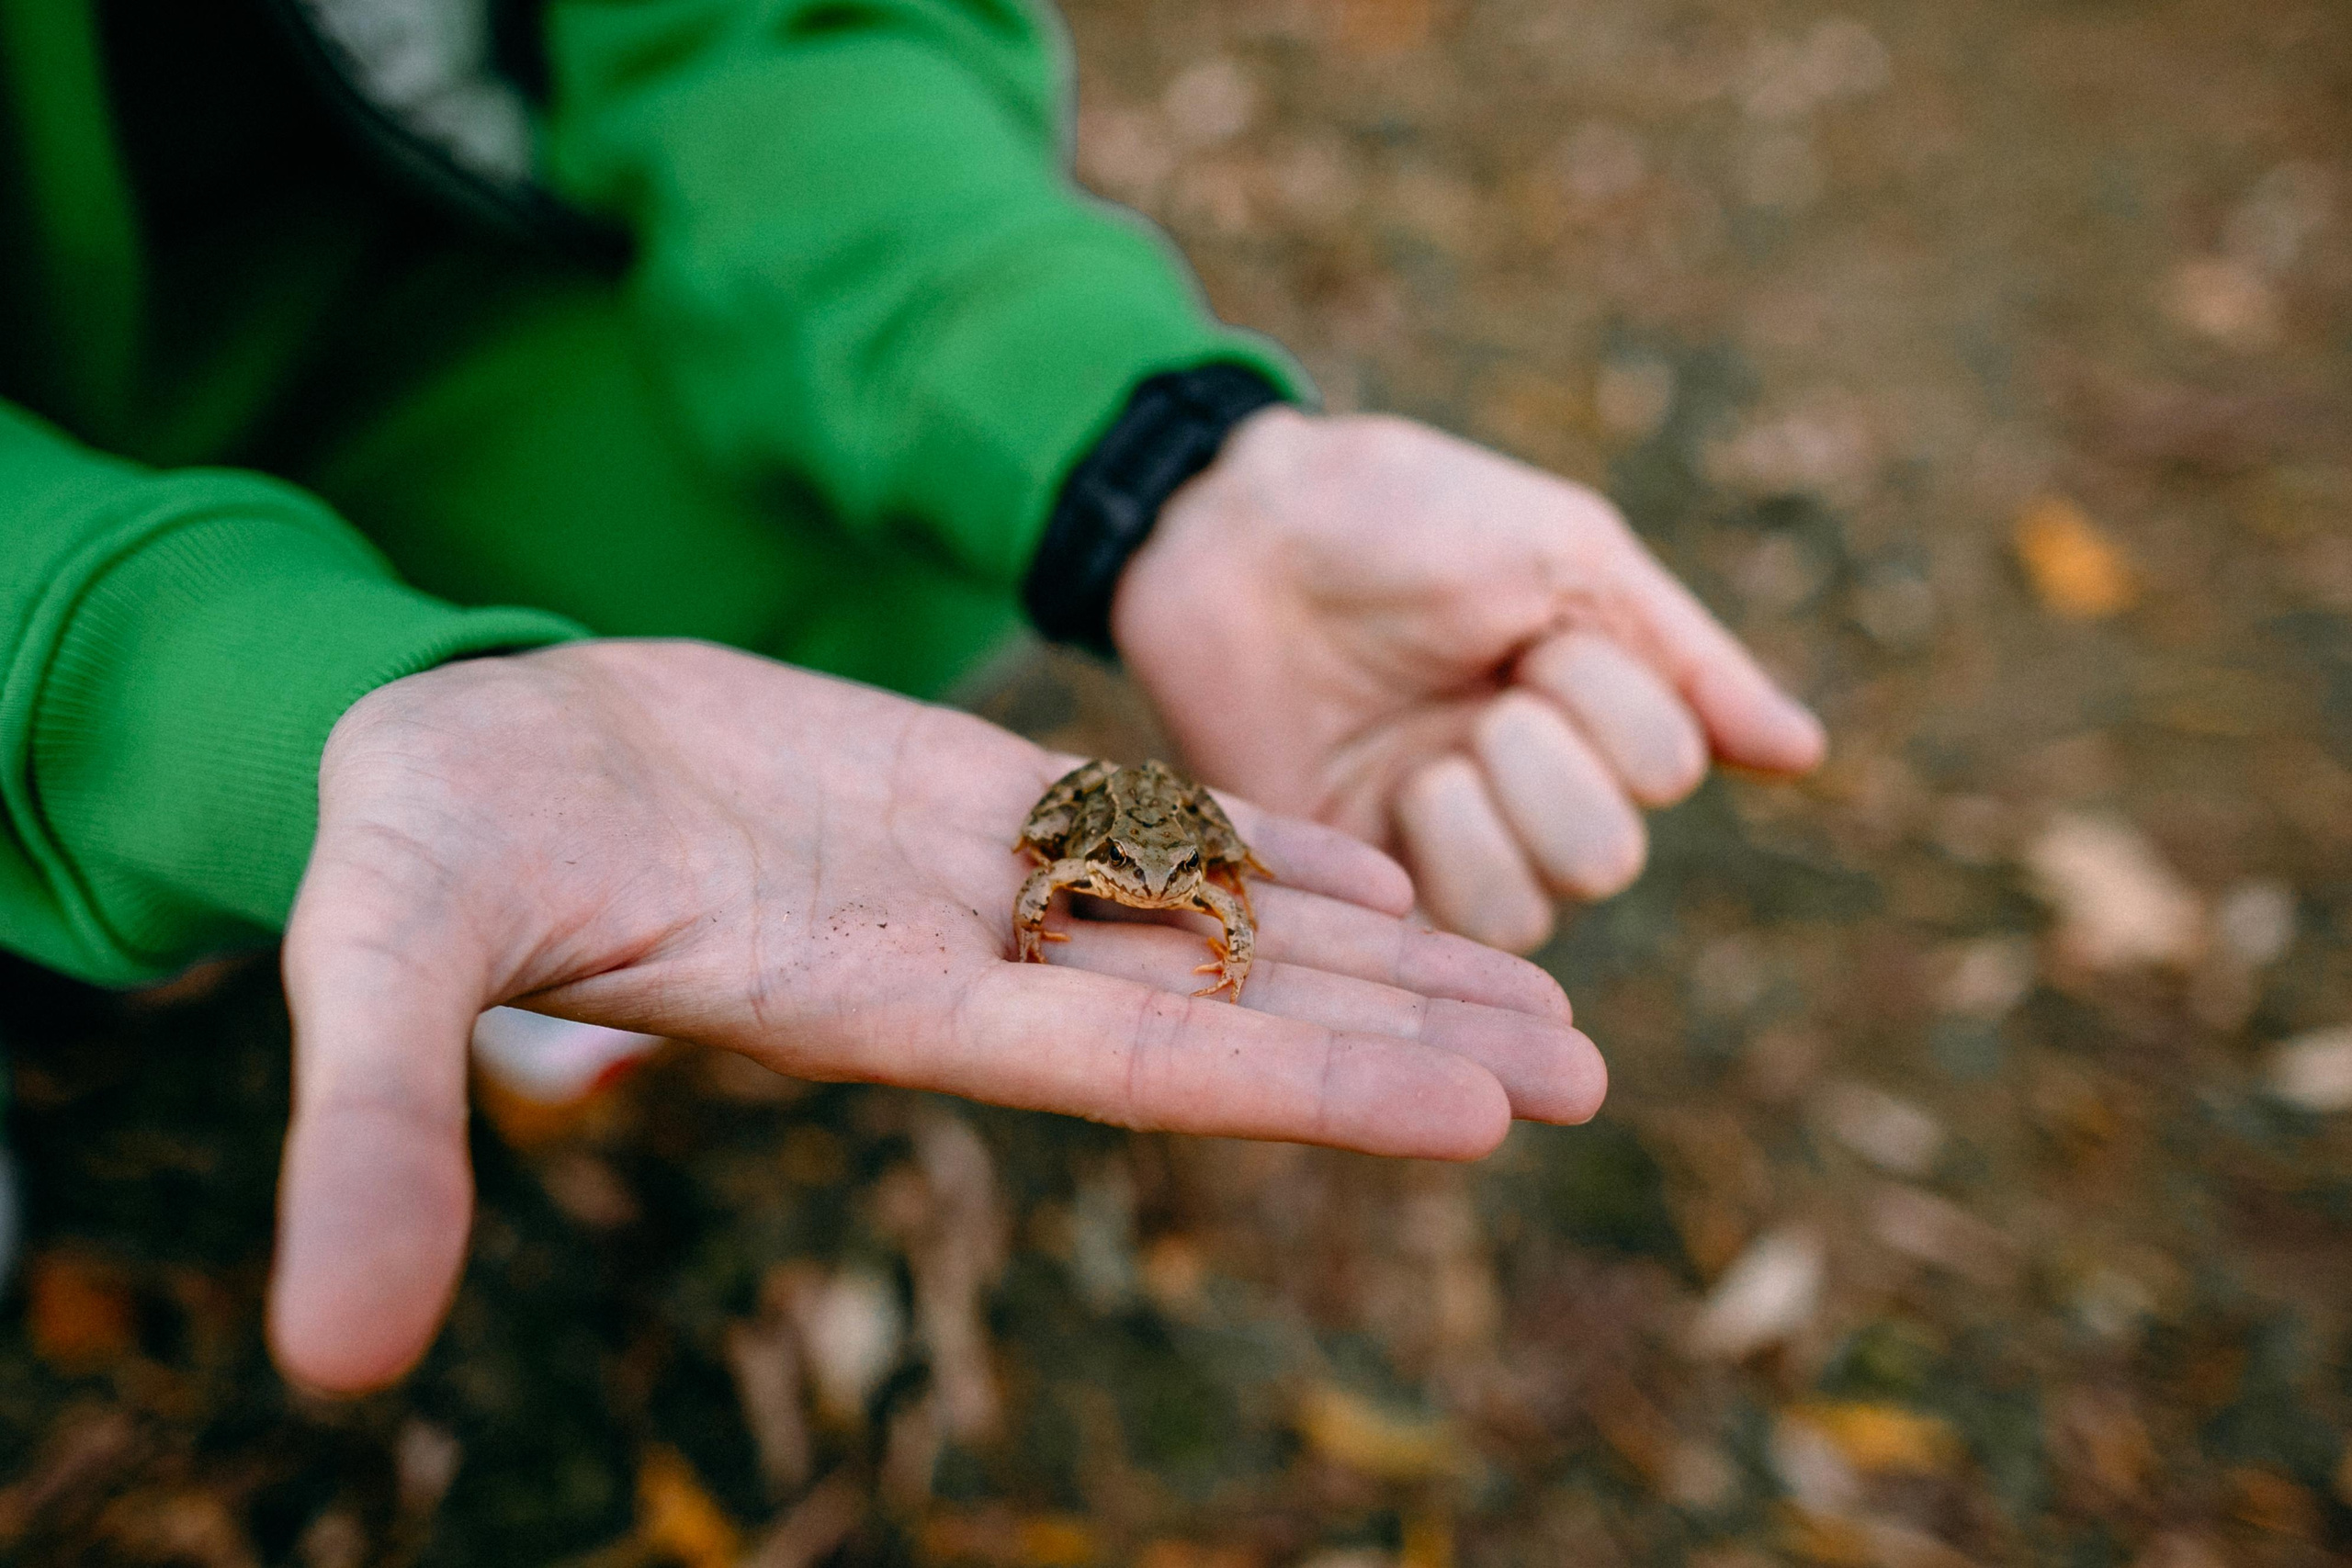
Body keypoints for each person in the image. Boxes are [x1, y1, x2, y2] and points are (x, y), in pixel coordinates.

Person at [0, 0, 1824, 1393]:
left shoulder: (1145, 851)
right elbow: (1061, 860)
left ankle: (581, 907)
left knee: (907, 519)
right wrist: (155, 678)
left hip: (413, 272)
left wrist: (1145, 458)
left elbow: (779, 37)